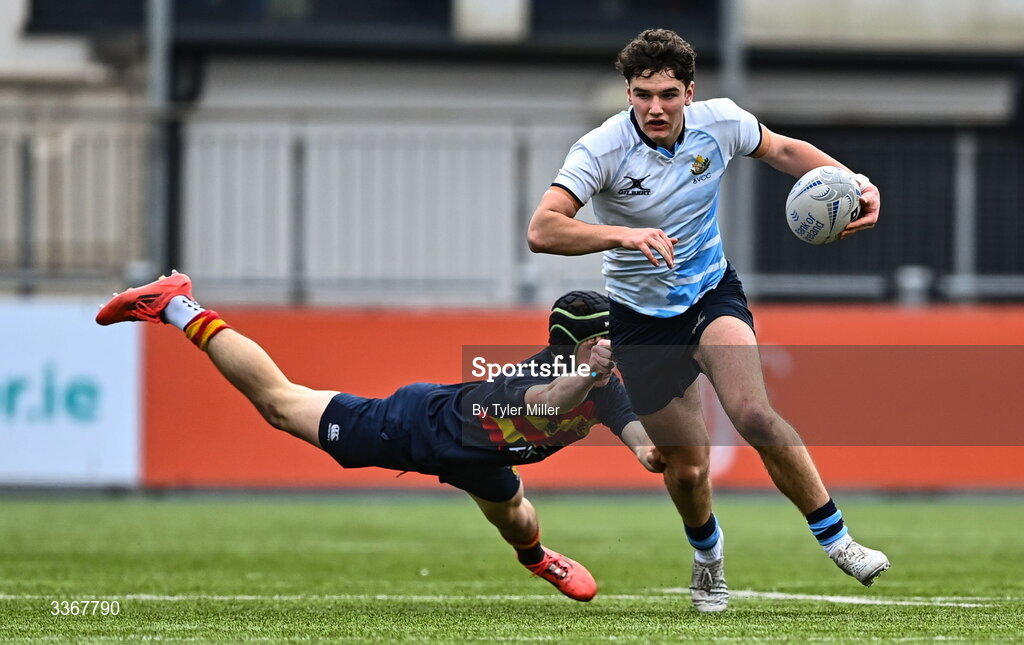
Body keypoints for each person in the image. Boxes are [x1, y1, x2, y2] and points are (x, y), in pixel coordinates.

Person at [527, 28, 889, 612]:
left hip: (711, 293)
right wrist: (622, 233)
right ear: (628, 92)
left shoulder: (721, 122)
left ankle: (840, 541)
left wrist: (859, 183)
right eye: (642, 94)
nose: (654, 107)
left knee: (754, 415)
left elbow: (785, 150)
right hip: (640, 321)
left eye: (667, 94)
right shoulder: (599, 150)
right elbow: (542, 229)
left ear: (690, 93)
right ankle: (707, 555)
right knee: (688, 471)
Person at [96, 273, 661, 602]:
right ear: (581, 347)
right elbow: (544, 407)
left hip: (480, 456)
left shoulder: (608, 387)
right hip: (416, 427)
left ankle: (537, 560)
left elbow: (639, 440)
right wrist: (587, 374)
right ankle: (176, 303)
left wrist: (653, 452)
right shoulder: (542, 380)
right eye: (610, 341)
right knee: (280, 404)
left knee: (516, 515)